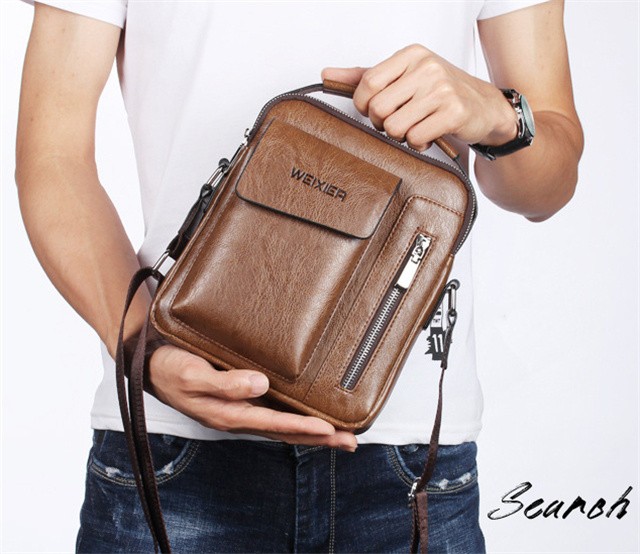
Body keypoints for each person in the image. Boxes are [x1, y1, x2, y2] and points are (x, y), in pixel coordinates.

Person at [15, 0, 583, 551]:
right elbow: (52, 160)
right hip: (172, 441)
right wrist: (146, 350)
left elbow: (547, 189)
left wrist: (501, 118)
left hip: (409, 461)